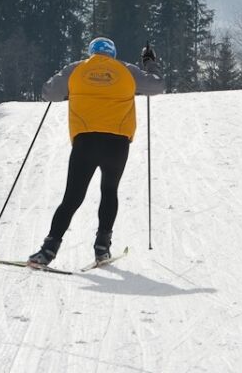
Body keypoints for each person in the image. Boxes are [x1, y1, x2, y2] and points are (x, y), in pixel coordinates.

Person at [28, 37, 164, 266]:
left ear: (91, 52)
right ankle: (102, 249)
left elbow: (49, 94)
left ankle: (47, 251)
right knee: (109, 191)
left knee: (72, 197)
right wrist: (149, 63)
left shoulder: (77, 69)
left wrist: (63, 82)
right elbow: (157, 86)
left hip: (85, 141)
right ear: (112, 53)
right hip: (117, 143)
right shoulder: (126, 70)